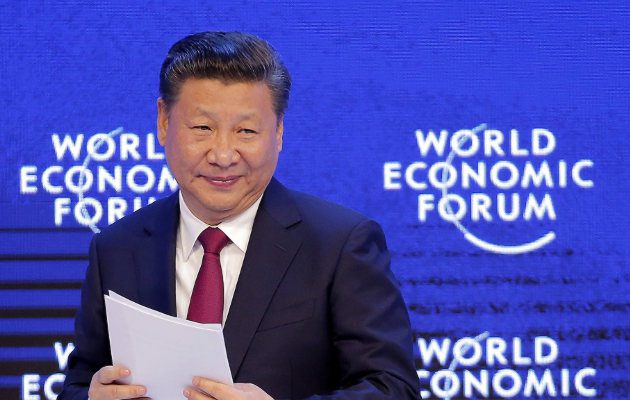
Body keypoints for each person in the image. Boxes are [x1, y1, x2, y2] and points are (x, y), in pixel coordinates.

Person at [59, 31, 419, 400]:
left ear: (278, 131)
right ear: (164, 122)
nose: (223, 155)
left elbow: (394, 388)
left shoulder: (340, 245)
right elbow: (78, 383)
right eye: (203, 128)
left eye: (246, 131)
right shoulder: (117, 248)